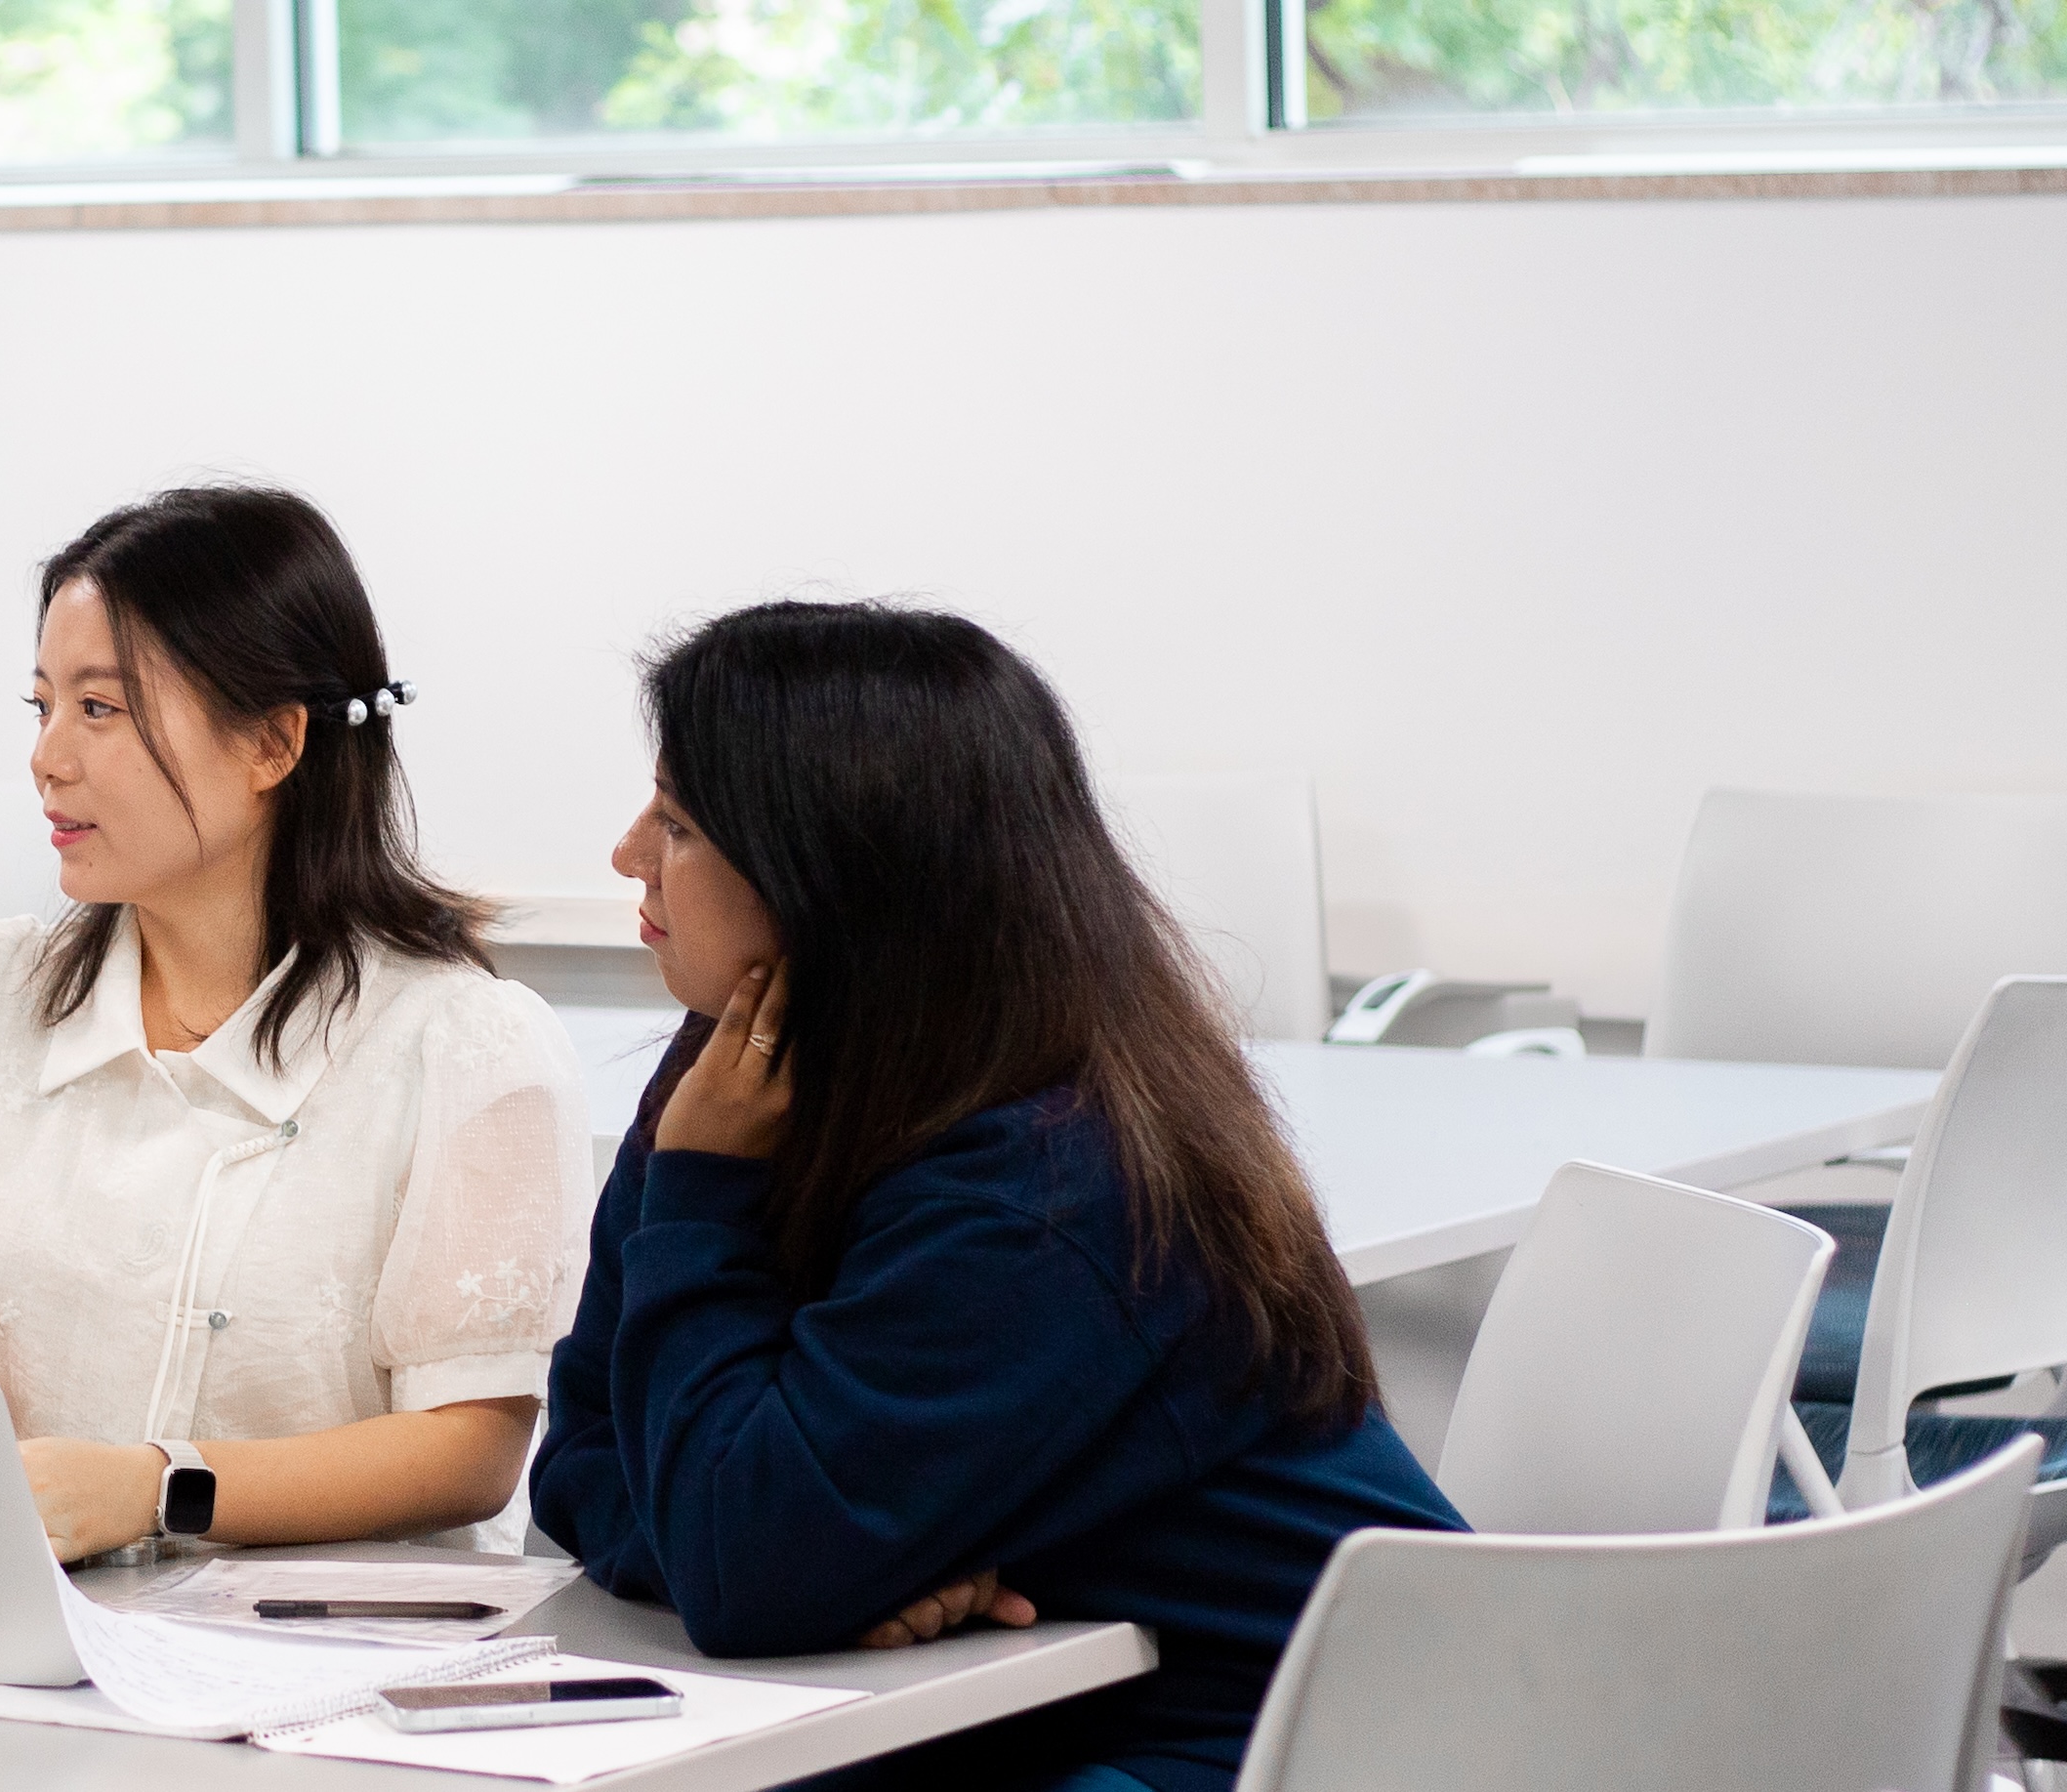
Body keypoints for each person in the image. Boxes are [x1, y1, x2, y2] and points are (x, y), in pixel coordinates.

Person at [530, 602, 1465, 1792]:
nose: (627, 853)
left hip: (1289, 1742)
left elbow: (739, 1561)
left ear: (835, 878)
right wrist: (795, 1567)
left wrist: (775, 1561)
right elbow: (588, 1449)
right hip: (1045, 1707)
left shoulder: (1056, 1187)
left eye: (679, 821)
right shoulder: (741, 1079)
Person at [0, 484, 593, 1561]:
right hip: (37, 1630)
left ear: (273, 742)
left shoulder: (466, 1046)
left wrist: (157, 1488)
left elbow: (468, 1448)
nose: (49, 757)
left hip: (332, 1659)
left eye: (101, 709)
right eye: (41, 705)